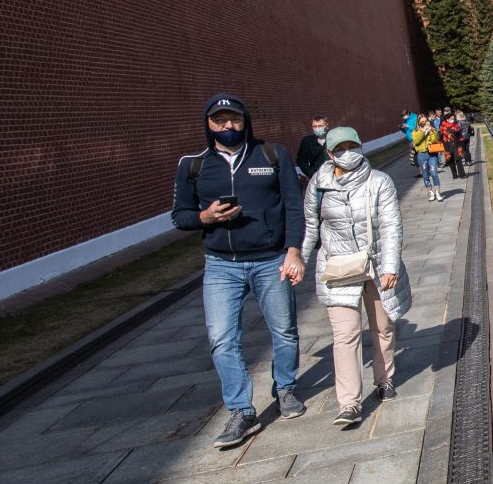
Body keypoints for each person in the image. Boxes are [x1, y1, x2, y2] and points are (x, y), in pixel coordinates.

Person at [171, 94, 305, 448]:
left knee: (285, 330)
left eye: (235, 120)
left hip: (270, 259)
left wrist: (294, 252)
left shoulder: (272, 156)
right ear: (209, 124)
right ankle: (241, 410)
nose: (228, 126)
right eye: (220, 120)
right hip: (220, 266)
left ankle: (286, 388)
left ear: (246, 122)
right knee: (221, 339)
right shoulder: (193, 165)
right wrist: (205, 217)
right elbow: (179, 215)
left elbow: (294, 205)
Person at [301, 126, 410, 426]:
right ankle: (348, 403)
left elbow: (391, 226)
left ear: (360, 146)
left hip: (375, 265)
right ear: (329, 153)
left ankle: (384, 379)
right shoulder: (319, 185)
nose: (347, 153)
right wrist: (299, 258)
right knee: (345, 335)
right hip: (338, 267)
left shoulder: (379, 182)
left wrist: (390, 266)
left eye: (352, 146)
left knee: (383, 326)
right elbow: (311, 226)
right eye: (340, 149)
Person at [411, 112, 445, 201]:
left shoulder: (432, 129)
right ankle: (430, 192)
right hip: (422, 155)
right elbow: (417, 141)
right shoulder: (415, 131)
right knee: (425, 175)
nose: (424, 123)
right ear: (418, 122)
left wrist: (431, 132)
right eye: (422, 121)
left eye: (425, 121)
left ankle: (437, 192)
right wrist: (423, 131)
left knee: (434, 173)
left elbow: (435, 140)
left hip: (432, 154)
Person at [294, 115, 329, 185]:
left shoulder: (333, 139)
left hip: (333, 176)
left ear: (326, 126)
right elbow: (301, 160)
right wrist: (310, 173)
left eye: (320, 126)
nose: (317, 128)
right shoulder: (307, 141)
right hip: (316, 178)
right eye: (315, 126)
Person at [440, 112, 466, 180]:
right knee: (450, 160)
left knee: (458, 159)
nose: (453, 119)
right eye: (451, 118)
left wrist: (461, 142)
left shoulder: (456, 125)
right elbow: (440, 136)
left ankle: (462, 174)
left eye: (453, 118)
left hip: (456, 145)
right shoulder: (443, 127)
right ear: (447, 119)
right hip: (447, 146)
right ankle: (454, 174)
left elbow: (460, 135)